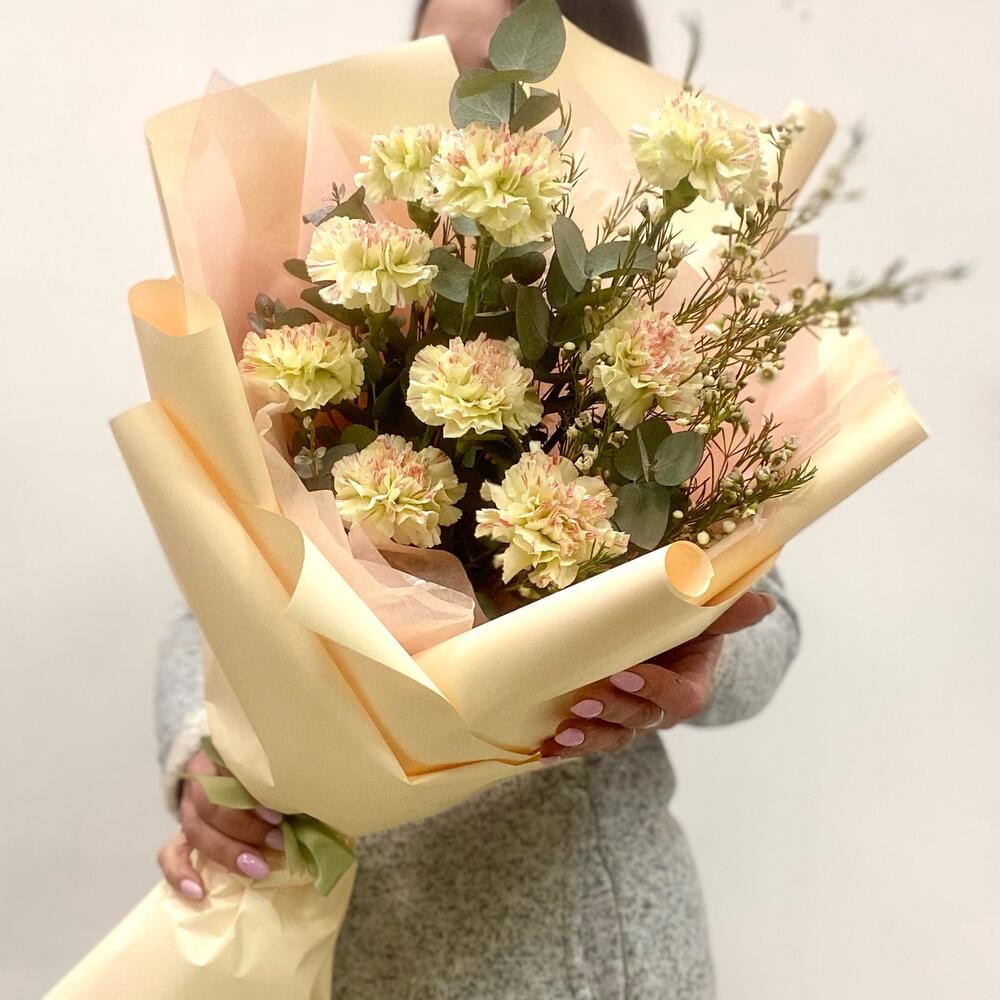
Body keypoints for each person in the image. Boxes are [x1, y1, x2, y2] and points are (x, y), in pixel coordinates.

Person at [153, 2, 801, 997]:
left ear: (609, 103)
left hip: (583, 936)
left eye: (513, 83)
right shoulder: (337, 307)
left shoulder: (665, 350)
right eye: (445, 73)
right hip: (360, 925)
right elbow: (215, 597)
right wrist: (206, 761)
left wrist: (689, 645)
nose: (478, 114)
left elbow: (770, 621)